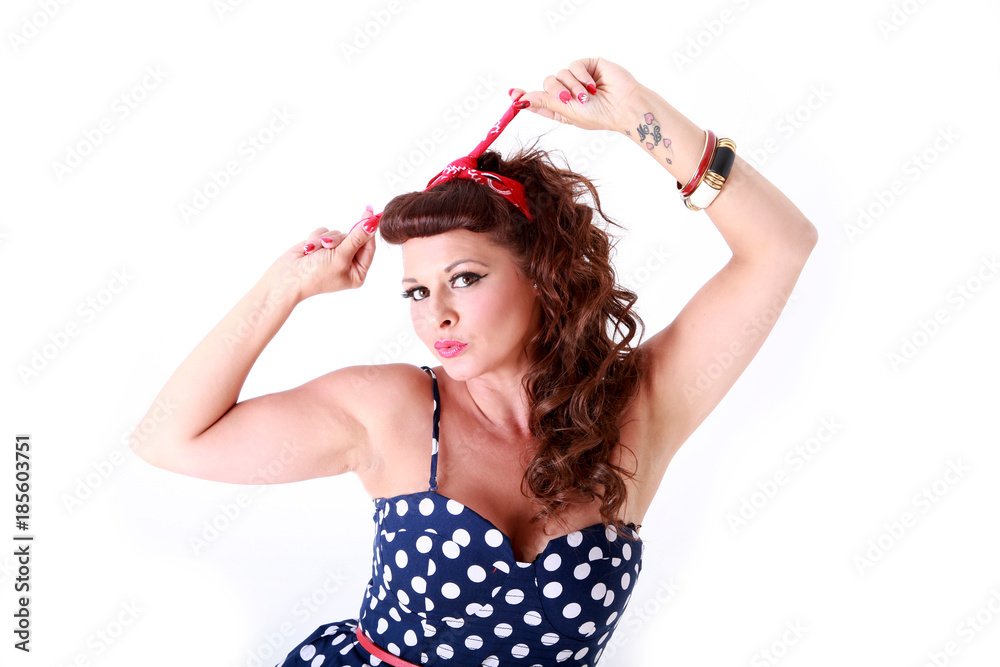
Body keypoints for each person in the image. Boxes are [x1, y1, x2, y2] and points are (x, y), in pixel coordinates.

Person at [130, 57, 817, 666]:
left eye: (464, 278)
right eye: (416, 291)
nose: (436, 315)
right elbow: (168, 439)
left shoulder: (640, 406)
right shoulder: (391, 411)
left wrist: (636, 114)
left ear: (543, 275)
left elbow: (781, 246)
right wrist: (283, 288)